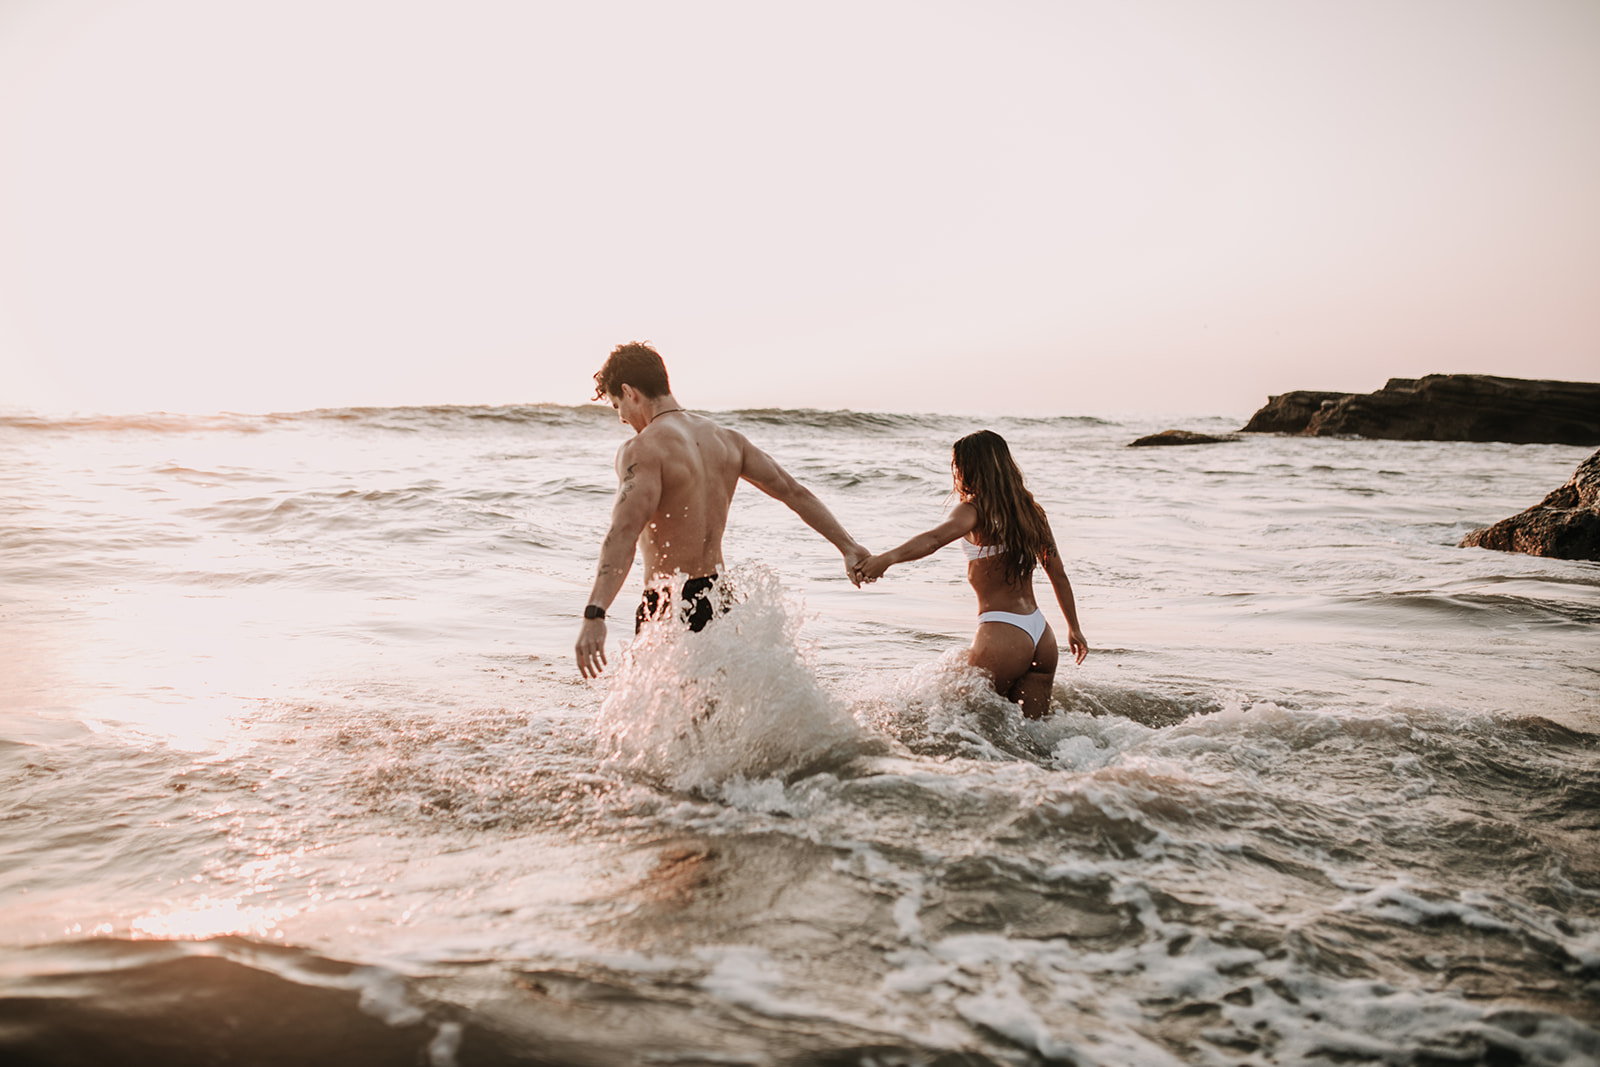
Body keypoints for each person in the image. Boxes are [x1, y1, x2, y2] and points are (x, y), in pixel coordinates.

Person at [575, 342, 870, 679]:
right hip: (720, 597)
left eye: (616, 406)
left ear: (629, 392)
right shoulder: (727, 439)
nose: (622, 419)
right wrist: (848, 547)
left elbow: (623, 533)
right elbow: (794, 493)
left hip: (670, 604)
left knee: (667, 724)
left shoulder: (643, 449)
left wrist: (595, 614)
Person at [854, 429, 1088, 718]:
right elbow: (1059, 573)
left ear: (968, 468)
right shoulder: (1032, 512)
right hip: (1043, 637)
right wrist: (1074, 628)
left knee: (963, 721)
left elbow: (934, 540)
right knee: (1036, 736)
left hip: (1003, 633)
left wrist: (886, 559)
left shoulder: (974, 510)